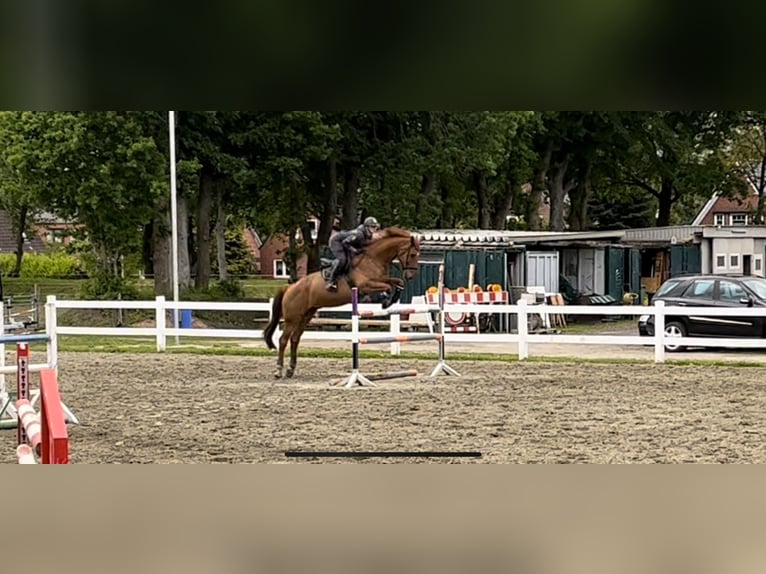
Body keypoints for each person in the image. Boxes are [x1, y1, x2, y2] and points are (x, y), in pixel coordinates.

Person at [326, 216, 380, 290]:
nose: (374, 229)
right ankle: (331, 281)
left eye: (375, 227)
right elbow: (345, 243)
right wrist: (354, 250)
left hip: (348, 244)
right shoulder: (359, 234)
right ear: (366, 227)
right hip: (337, 242)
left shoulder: (368, 235)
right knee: (343, 260)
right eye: (372, 227)